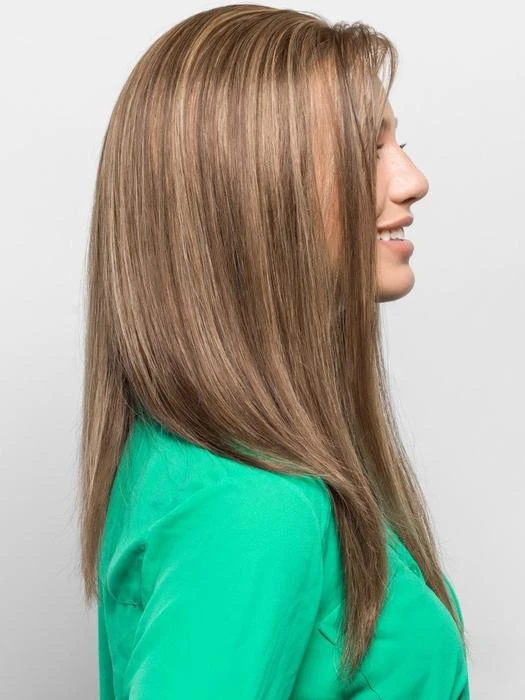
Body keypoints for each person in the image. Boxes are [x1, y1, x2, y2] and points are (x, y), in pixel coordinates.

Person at [78, 5, 470, 698]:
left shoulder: (216, 461)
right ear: (250, 194)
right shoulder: (252, 505)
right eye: (365, 150)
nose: (412, 179)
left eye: (397, 143)